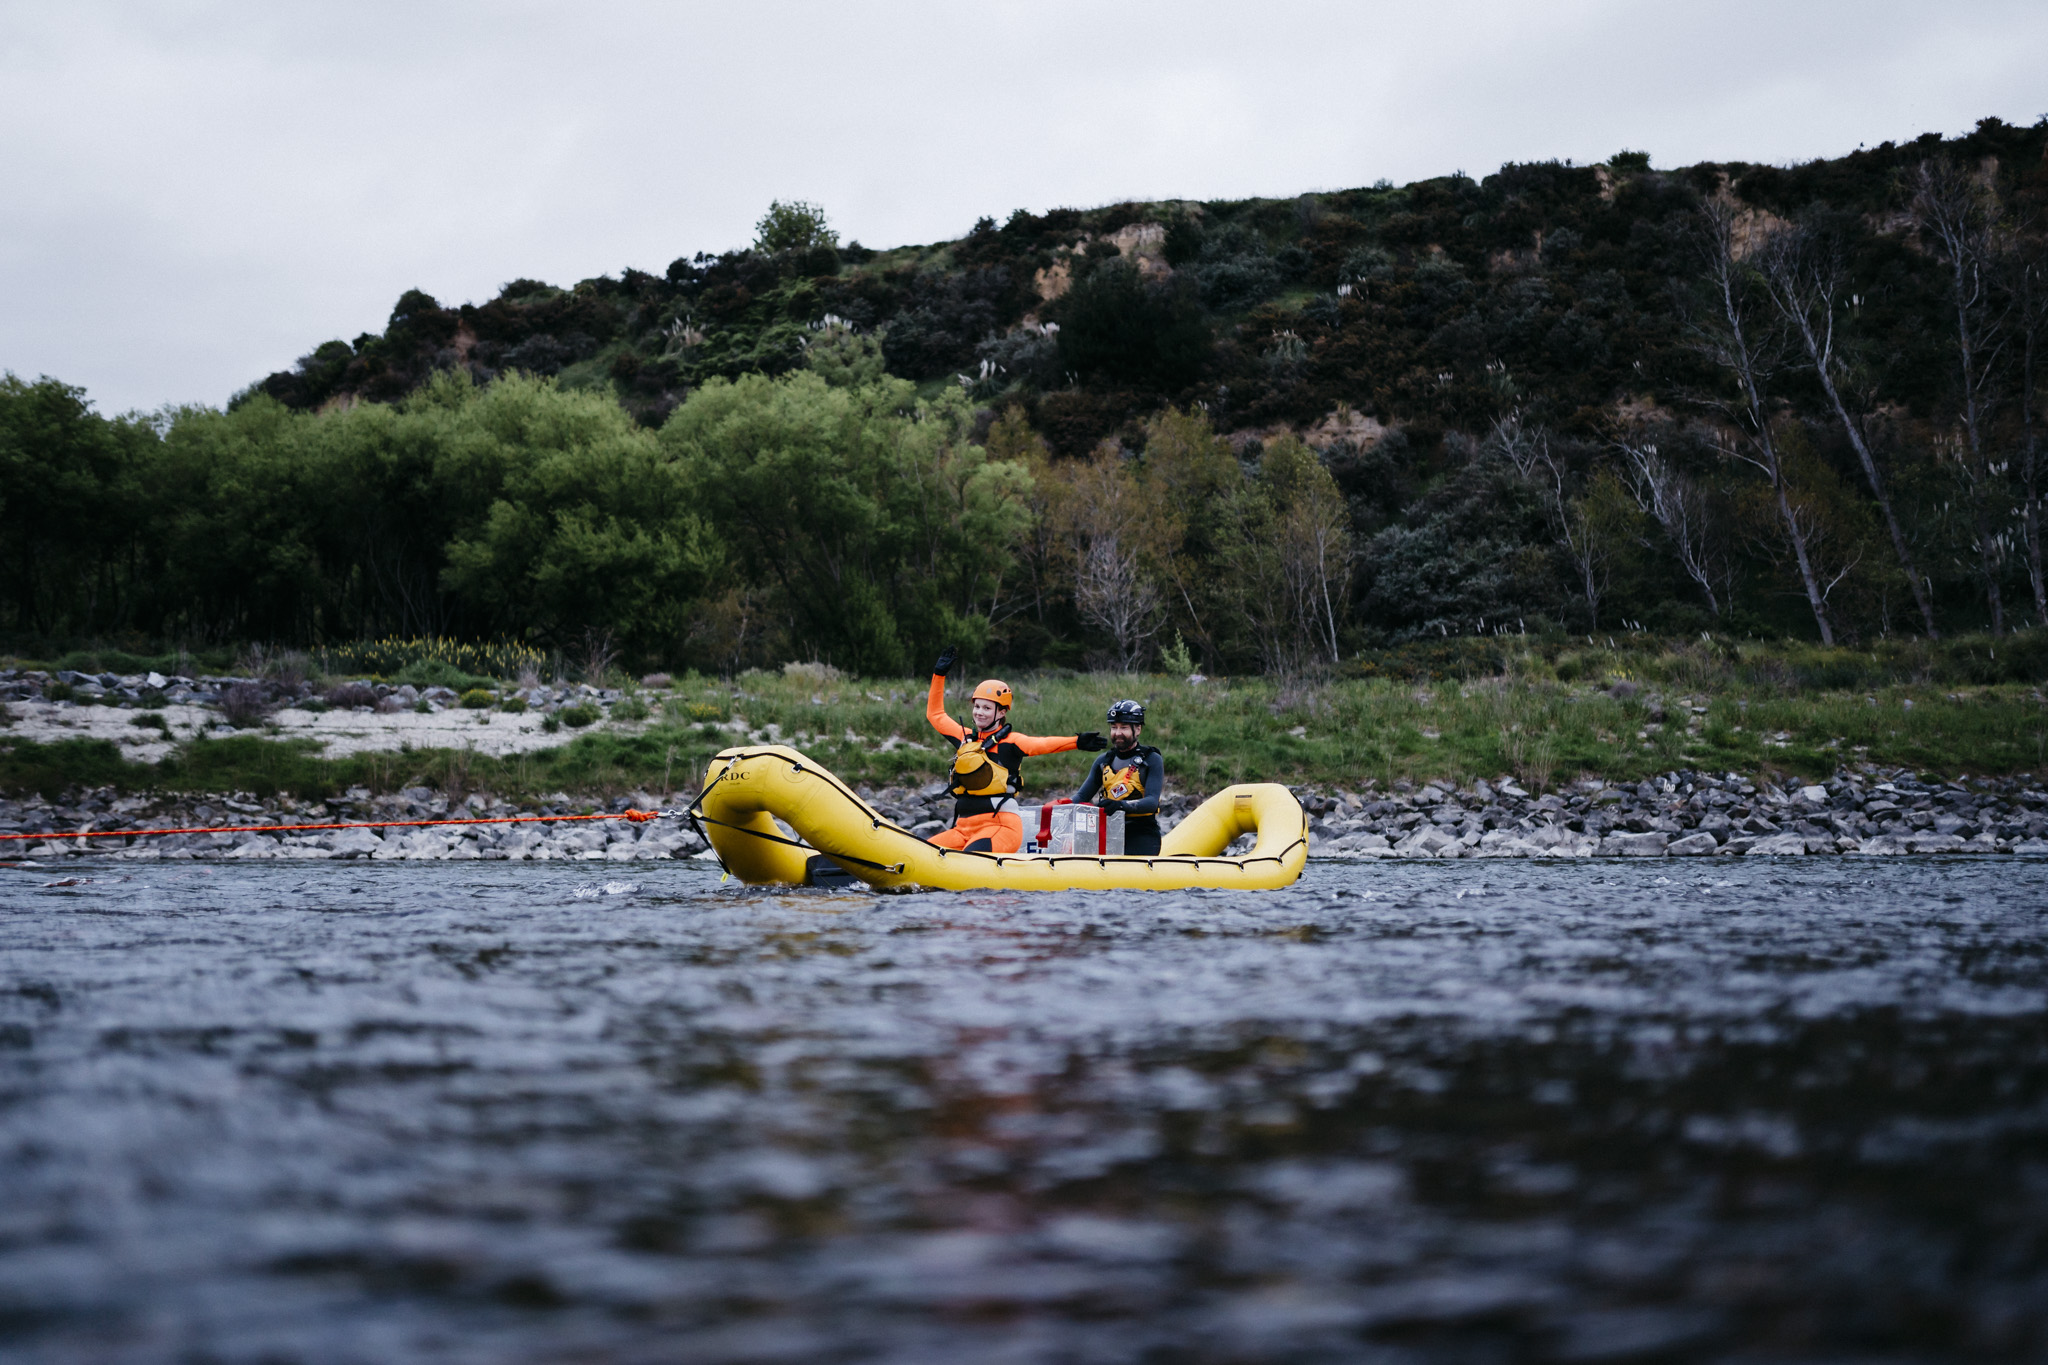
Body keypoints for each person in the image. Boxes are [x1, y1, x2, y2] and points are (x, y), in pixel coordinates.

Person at [926, 646, 1104, 853]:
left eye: (986, 708)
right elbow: (935, 715)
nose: (979, 713)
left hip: (1000, 826)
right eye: (977, 707)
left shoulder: (1012, 742)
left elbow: (1041, 745)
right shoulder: (964, 738)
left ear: (1001, 712)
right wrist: (938, 675)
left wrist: (1076, 741)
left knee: (971, 856)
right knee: (923, 852)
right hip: (963, 827)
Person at [1075, 699, 1165, 856]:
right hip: (1108, 830)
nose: (1117, 733)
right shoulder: (1103, 761)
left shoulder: (1151, 759)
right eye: (1114, 728)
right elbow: (1082, 796)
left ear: (1137, 729)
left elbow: (1151, 802)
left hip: (1141, 832)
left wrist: (1121, 805)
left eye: (1123, 728)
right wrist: (1059, 807)